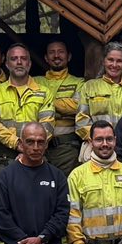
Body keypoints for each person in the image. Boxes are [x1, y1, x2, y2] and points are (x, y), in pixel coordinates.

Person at [36, 36, 84, 173]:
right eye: (52, 52)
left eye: (61, 52)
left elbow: (77, 106)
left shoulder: (79, 83)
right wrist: (63, 107)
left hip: (67, 148)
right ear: (46, 57)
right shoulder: (35, 82)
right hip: (38, 147)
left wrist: (45, 102)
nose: (56, 55)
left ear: (68, 56)